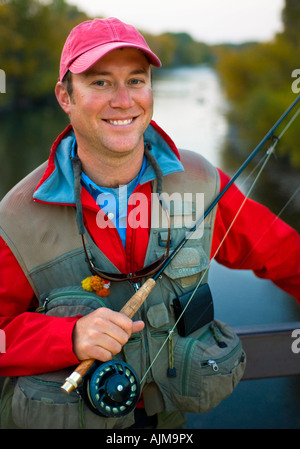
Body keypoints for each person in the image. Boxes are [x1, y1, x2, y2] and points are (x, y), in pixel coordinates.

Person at [0, 17, 299, 430]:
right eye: (100, 82)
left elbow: (287, 257)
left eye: (136, 80)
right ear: (64, 96)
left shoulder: (202, 181)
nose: (123, 100)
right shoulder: (14, 216)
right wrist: (65, 338)